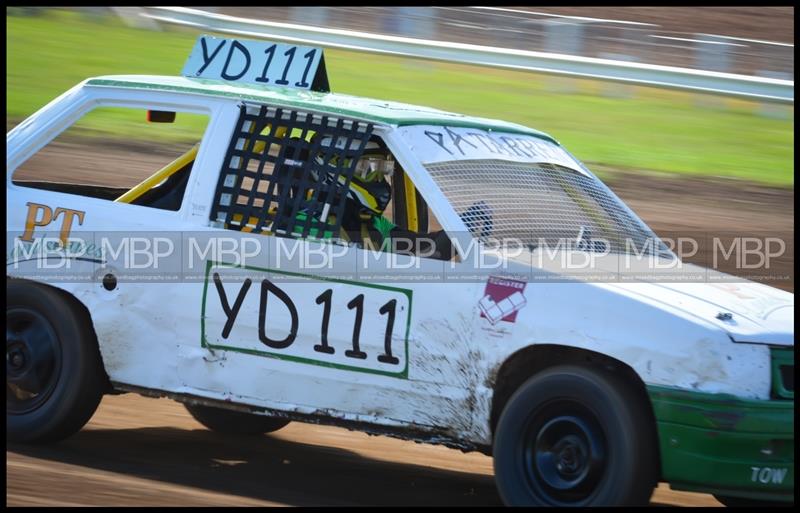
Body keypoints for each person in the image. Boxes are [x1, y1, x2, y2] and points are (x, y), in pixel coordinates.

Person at [312, 135, 453, 259]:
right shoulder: (302, 223)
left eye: (382, 169)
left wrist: (472, 220)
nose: (378, 179)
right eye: (367, 168)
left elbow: (432, 249)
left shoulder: (374, 224)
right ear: (333, 166)